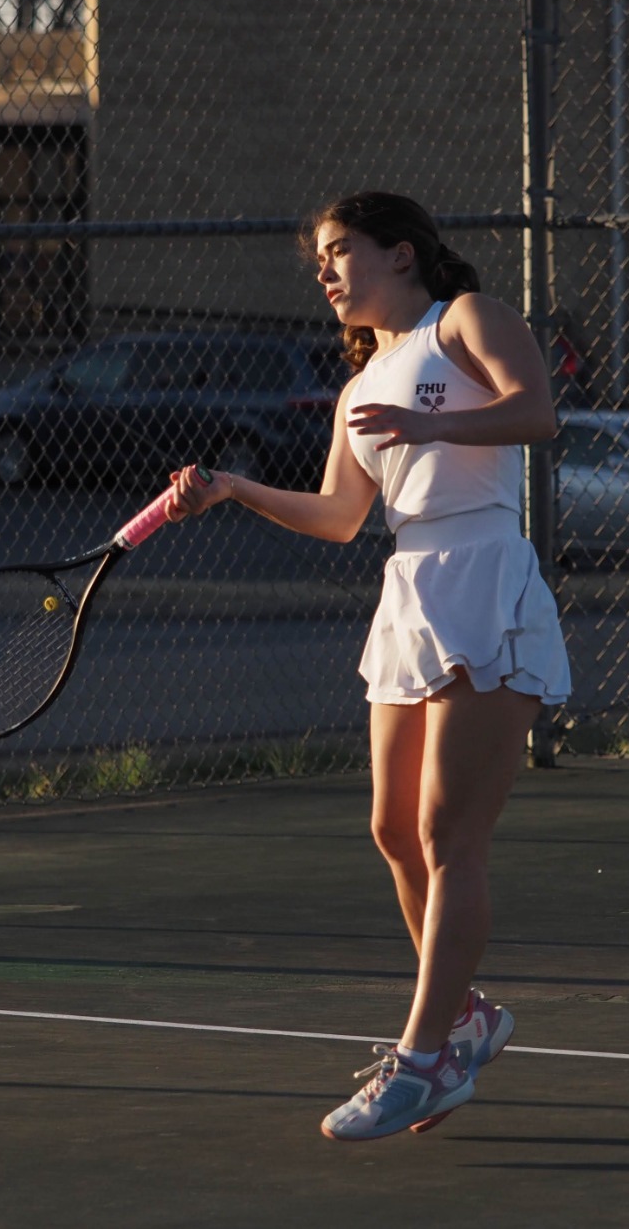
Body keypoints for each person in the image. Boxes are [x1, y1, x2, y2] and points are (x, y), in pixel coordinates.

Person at [163, 191, 570, 1141]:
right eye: (320, 257)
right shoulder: (358, 389)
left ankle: (424, 1063)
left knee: (447, 833)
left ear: (400, 253)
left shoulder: (465, 320)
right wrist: (231, 489)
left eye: (340, 250)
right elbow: (343, 516)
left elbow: (537, 413)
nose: (325, 270)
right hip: (409, 591)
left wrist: (437, 428)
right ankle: (467, 1018)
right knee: (393, 830)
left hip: (485, 575)